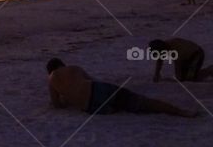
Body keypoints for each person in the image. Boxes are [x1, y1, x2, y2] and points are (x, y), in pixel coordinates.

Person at [46, 58, 195, 117]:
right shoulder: (73, 68)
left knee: (127, 106)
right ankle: (180, 112)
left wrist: (67, 98)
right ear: (61, 64)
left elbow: (57, 104)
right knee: (141, 102)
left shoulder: (51, 81)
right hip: (97, 89)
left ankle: (112, 108)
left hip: (92, 107)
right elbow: (91, 80)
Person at [148, 38, 213, 82]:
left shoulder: (174, 49)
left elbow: (178, 65)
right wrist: (156, 74)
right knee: (184, 78)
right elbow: (159, 60)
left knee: (190, 79)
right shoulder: (163, 47)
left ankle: (209, 70)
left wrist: (178, 78)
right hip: (186, 56)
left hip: (196, 53)